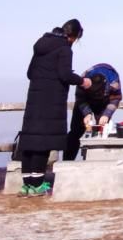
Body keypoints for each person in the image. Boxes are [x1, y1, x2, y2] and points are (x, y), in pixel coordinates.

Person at [17, 19, 90, 196]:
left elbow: (30, 73)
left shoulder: (41, 45)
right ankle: (38, 185)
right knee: (43, 141)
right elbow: (64, 75)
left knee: (30, 140)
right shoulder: (64, 48)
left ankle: (27, 185)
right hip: (52, 99)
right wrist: (82, 81)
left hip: (35, 97)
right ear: (74, 36)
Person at [63, 62, 123, 161]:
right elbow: (80, 99)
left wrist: (106, 114)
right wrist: (87, 113)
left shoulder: (114, 82)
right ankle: (67, 161)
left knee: (102, 131)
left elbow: (115, 98)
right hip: (86, 101)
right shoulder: (83, 80)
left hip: (104, 103)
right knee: (76, 132)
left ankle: (98, 161)